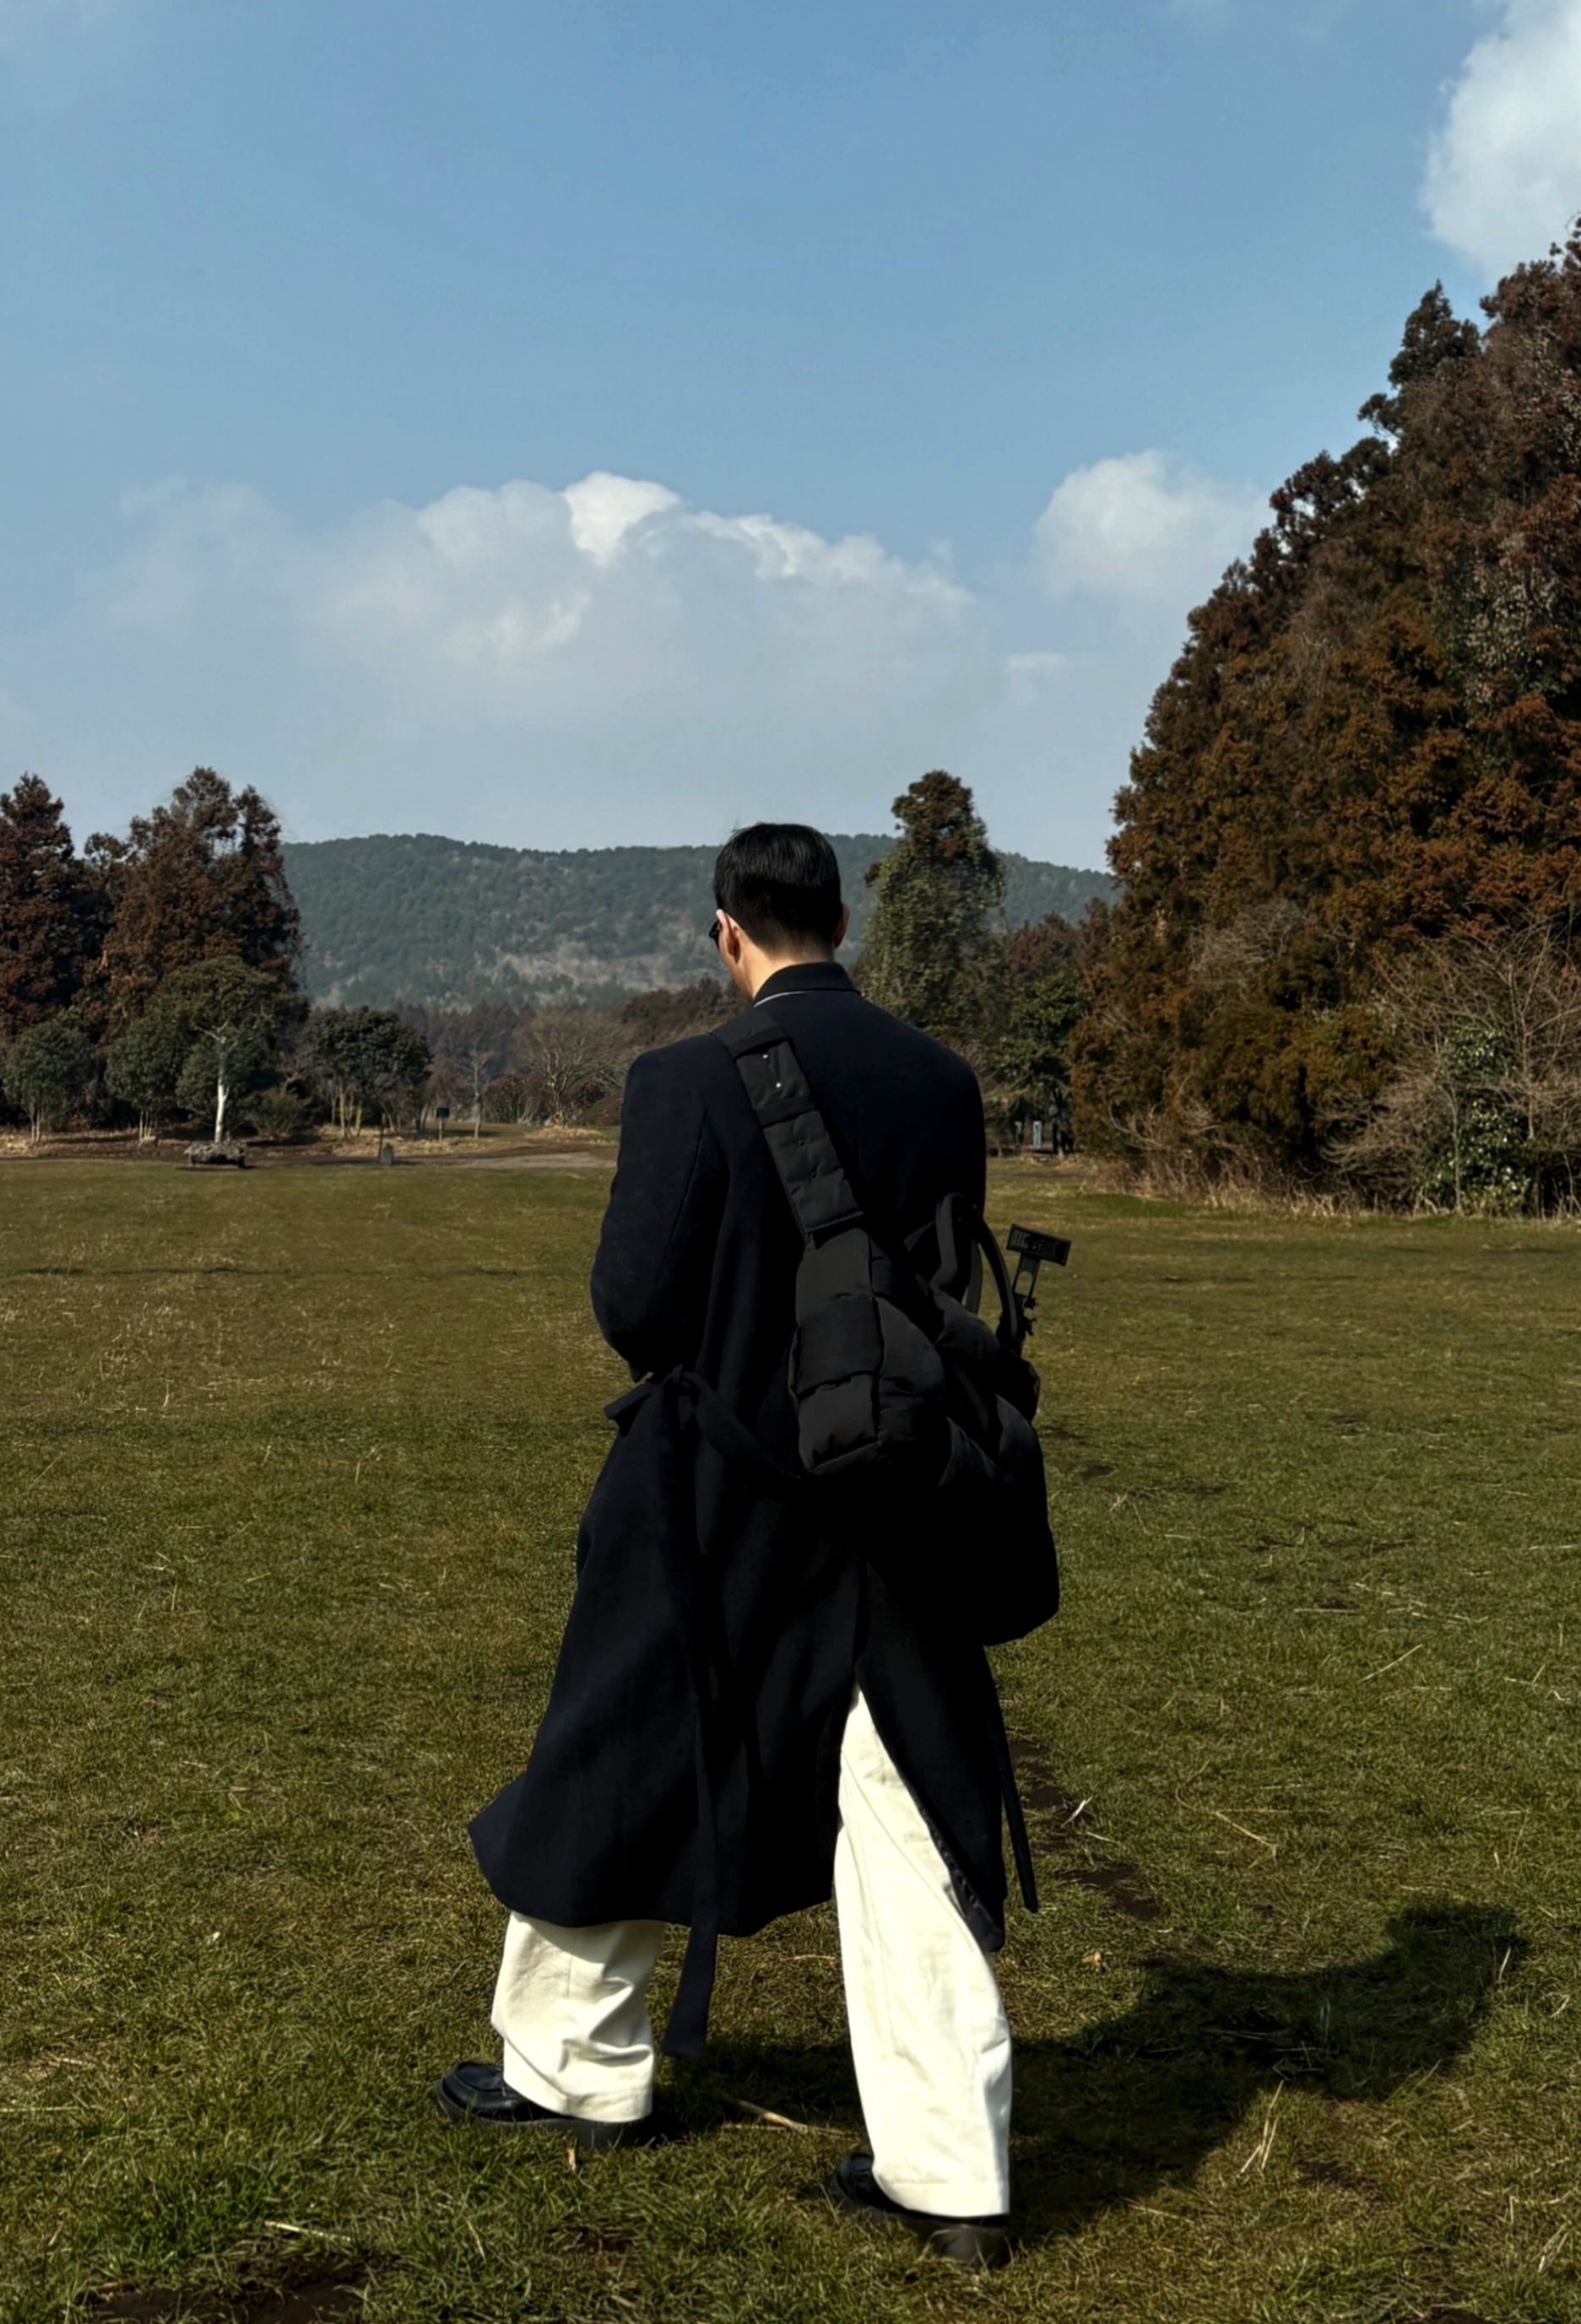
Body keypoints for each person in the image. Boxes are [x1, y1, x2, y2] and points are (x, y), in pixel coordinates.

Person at [434, 821, 1022, 2270]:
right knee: (908, 1804)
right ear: (841, 923)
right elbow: (942, 1278)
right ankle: (951, 2169)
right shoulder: (941, 1081)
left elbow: (635, 1303)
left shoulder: (684, 1078)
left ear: (726, 933)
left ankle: (574, 2070)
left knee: (615, 1758)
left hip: (712, 1482)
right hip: (894, 1488)